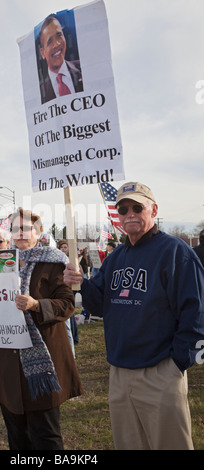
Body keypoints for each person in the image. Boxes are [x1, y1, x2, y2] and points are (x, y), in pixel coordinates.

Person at [64, 181, 204, 450]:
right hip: (119, 372)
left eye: (137, 207)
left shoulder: (175, 252)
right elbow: (99, 305)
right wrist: (80, 282)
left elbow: (196, 311)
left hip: (160, 371)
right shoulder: (117, 256)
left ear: (153, 210)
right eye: (123, 209)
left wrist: (178, 362)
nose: (129, 214)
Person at [0, 208, 83, 450]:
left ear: (38, 233)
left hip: (42, 360)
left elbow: (68, 304)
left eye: (25, 228)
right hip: (8, 359)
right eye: (15, 228)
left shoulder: (54, 262)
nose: (19, 233)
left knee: (45, 436)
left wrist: (36, 305)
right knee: (17, 437)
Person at [39, 15, 83, 104]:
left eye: (59, 35)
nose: (57, 44)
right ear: (43, 53)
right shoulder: (41, 92)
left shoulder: (83, 68)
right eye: (50, 41)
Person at [57, 239, 79, 350]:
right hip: (60, 291)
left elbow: (78, 274)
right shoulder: (56, 260)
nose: (64, 249)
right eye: (62, 247)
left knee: (69, 321)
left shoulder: (72, 260)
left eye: (65, 247)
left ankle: (72, 349)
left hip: (70, 290)